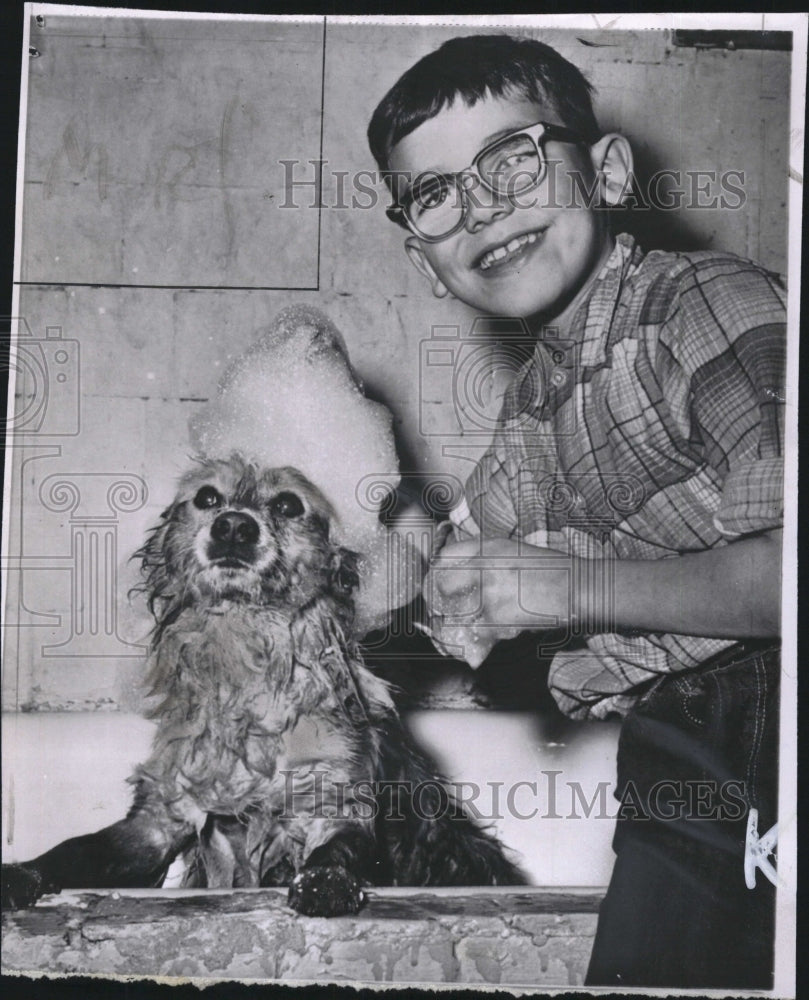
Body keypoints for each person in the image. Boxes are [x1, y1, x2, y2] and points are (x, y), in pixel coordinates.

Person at [367, 33, 785, 989]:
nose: (482, 211)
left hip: (763, 710)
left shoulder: (706, 307)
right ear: (425, 257)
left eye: (511, 161)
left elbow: (794, 580)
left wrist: (566, 585)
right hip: (679, 736)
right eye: (436, 195)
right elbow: (438, 564)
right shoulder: (534, 409)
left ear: (605, 168)